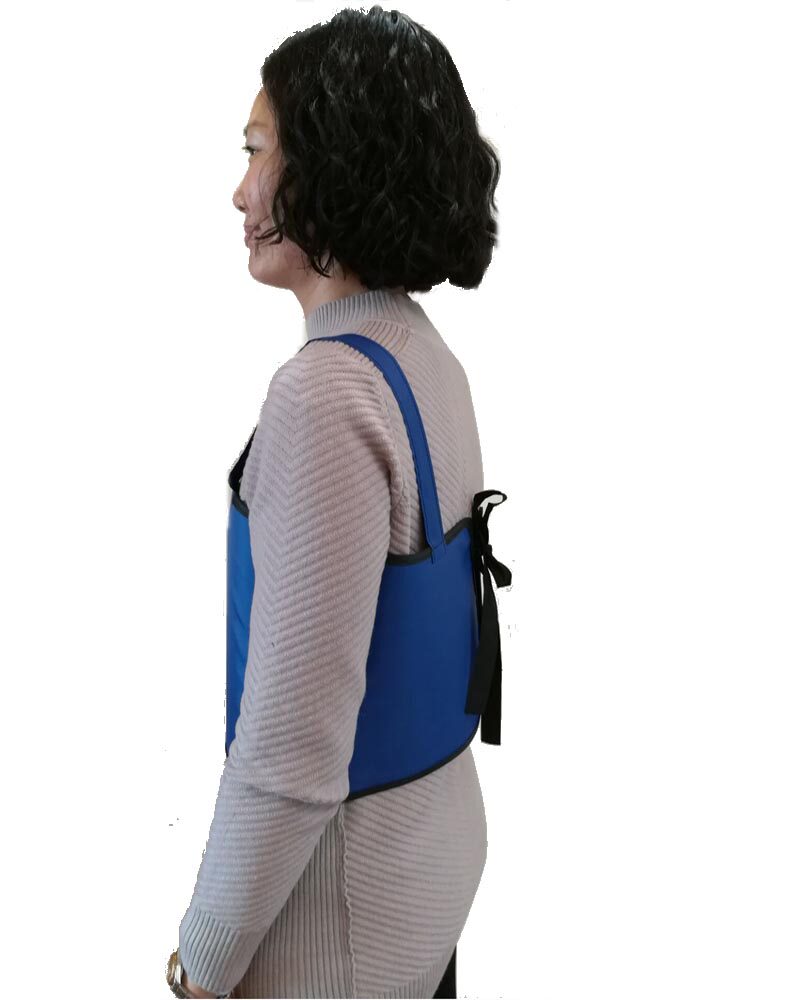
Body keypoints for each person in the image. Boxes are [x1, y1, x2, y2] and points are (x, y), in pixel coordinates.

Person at [173, 7, 501, 997]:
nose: (239, 190)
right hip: (427, 887)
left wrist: (202, 960)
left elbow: (290, 751)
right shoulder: (421, 357)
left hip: (335, 947)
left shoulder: (322, 397)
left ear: (328, 166)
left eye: (257, 151)